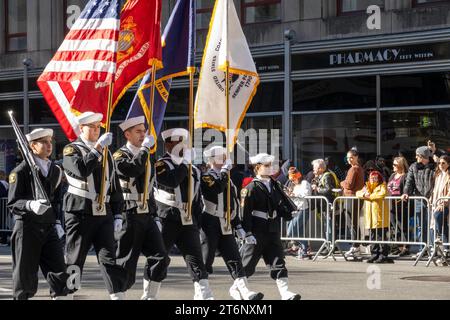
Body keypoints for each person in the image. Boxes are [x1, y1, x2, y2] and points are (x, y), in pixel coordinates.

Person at [62, 112, 128, 300]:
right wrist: (98, 148)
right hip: (80, 211)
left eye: (98, 127)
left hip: (103, 212)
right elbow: (82, 169)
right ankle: (68, 294)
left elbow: (112, 183)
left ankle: (117, 296)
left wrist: (117, 214)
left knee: (108, 258)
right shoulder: (71, 150)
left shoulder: (106, 152)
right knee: (75, 258)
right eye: (92, 127)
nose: (96, 130)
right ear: (81, 128)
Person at [8, 128, 71, 300]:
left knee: (59, 272)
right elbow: (13, 203)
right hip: (27, 228)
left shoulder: (56, 170)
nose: (49, 145)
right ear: (32, 146)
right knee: (24, 277)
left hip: (49, 227)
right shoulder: (20, 171)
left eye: (50, 141)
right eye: (43, 142)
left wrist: (58, 222)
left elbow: (56, 200)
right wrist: (30, 204)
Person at [113, 116, 170, 300]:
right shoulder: (119, 155)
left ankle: (149, 296)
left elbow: (149, 187)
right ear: (127, 134)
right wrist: (145, 148)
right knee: (126, 261)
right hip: (128, 212)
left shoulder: (146, 155)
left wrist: (154, 215)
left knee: (161, 257)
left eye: (144, 131)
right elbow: (133, 170)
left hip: (146, 213)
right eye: (138, 131)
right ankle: (118, 295)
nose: (142, 134)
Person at [153, 128, 213, 300]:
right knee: (160, 258)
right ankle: (150, 294)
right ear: (168, 144)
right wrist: (185, 163)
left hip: (188, 219)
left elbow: (196, 197)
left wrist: (196, 220)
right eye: (178, 142)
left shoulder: (193, 169)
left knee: (196, 258)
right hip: (167, 217)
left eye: (184, 142)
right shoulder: (161, 164)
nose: (182, 146)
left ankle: (203, 295)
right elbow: (172, 181)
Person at [200, 146, 263, 300]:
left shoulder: (228, 179)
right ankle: (203, 293)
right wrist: (224, 173)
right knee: (206, 260)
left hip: (226, 223)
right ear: (212, 159)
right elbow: (216, 188)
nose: (225, 159)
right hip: (210, 222)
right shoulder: (206, 177)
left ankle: (245, 291)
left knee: (234, 258)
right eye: (221, 156)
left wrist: (238, 225)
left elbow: (232, 204)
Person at [240, 153, 301, 300]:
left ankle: (285, 293)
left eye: (271, 165)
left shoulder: (275, 185)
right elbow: (245, 212)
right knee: (247, 264)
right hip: (257, 230)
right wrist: (246, 232)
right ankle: (239, 290)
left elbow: (277, 206)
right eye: (266, 165)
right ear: (257, 167)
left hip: (272, 229)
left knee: (278, 261)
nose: (270, 168)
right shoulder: (251, 188)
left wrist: (288, 213)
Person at [401, 145, 436, 255]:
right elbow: (409, 182)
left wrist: (434, 151)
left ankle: (433, 248)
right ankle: (423, 249)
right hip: (419, 200)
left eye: (418, 156)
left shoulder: (434, 166)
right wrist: (406, 192)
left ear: (423, 156)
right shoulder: (413, 167)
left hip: (433, 199)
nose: (416, 158)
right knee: (420, 225)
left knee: (432, 225)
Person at [356, 171, 392, 263]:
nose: (373, 180)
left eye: (375, 178)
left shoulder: (382, 186)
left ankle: (383, 255)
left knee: (381, 237)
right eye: (371, 178)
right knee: (372, 237)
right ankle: (374, 254)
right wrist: (364, 194)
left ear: (379, 178)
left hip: (380, 216)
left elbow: (381, 194)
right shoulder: (366, 187)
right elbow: (357, 193)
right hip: (370, 217)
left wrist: (369, 196)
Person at [341, 147, 365, 258]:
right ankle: (356, 246)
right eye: (348, 158)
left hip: (351, 198)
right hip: (355, 198)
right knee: (354, 223)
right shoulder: (358, 168)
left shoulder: (354, 169)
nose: (349, 160)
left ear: (356, 157)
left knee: (352, 223)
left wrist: (342, 183)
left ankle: (355, 247)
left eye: (351, 157)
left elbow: (349, 184)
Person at [311, 159, 340, 243]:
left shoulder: (327, 175)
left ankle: (330, 245)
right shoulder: (320, 176)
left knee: (329, 226)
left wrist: (317, 188)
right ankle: (328, 244)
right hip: (323, 205)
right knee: (326, 225)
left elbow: (328, 189)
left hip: (328, 205)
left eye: (314, 167)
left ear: (321, 168)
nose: (313, 169)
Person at [286, 167, 311, 259]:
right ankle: (304, 250)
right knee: (299, 232)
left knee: (291, 232)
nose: (292, 181)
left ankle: (305, 247)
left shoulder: (305, 183)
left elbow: (306, 194)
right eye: (291, 180)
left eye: (294, 179)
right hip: (296, 210)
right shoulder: (294, 185)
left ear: (298, 177)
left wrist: (294, 195)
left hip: (302, 209)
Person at [387, 157, 409, 256]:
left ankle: (406, 247)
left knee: (402, 225)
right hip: (391, 204)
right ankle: (398, 246)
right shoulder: (392, 175)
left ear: (401, 165)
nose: (393, 166)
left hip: (401, 204)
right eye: (393, 164)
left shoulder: (405, 176)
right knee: (394, 225)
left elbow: (406, 190)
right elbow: (388, 187)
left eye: (395, 165)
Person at [429, 155, 450, 251]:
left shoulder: (448, 175)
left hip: (445, 204)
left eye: (443, 163)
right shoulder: (438, 175)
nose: (441, 165)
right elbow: (434, 189)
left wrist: (443, 203)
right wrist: (431, 198)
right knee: (443, 225)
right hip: (436, 203)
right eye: (439, 163)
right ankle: (446, 249)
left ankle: (439, 235)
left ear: (448, 164)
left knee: (437, 216)